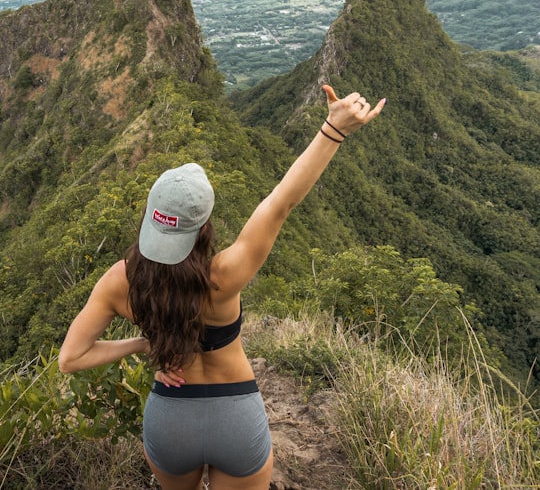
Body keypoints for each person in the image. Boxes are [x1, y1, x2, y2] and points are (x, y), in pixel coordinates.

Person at [59, 84, 385, 489]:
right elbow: (281, 202)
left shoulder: (120, 282)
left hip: (170, 421)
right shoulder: (224, 276)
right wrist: (333, 130)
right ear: (204, 228)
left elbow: (71, 359)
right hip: (236, 417)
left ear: (150, 219)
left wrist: (145, 345)